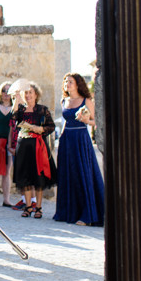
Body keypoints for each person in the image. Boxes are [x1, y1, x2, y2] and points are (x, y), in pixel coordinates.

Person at [53, 73, 104, 227]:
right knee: (68, 175)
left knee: (83, 175)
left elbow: (95, 121)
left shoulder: (86, 100)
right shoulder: (64, 101)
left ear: (77, 84)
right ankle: (68, 212)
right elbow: (63, 123)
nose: (67, 84)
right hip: (66, 140)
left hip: (81, 139)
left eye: (70, 82)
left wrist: (87, 120)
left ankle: (87, 215)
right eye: (66, 81)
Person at [9, 81, 56, 219]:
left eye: (30, 92)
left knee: (38, 177)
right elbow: (13, 120)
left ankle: (39, 208)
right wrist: (16, 101)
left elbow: (51, 126)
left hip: (38, 146)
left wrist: (40, 129)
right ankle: (28, 206)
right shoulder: (20, 110)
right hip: (23, 146)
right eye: (26, 93)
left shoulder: (42, 109)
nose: (28, 95)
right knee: (25, 177)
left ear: (36, 94)